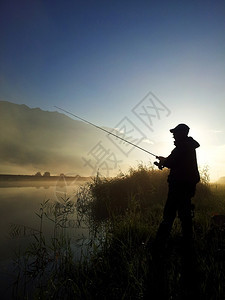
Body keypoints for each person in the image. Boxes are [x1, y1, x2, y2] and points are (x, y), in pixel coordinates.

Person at [154, 123, 200, 247]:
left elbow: (171, 162)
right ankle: (188, 242)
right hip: (187, 186)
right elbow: (174, 162)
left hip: (178, 187)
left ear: (181, 134)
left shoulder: (182, 147)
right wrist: (165, 161)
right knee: (185, 215)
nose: (173, 136)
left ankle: (159, 243)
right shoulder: (187, 147)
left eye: (175, 133)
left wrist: (164, 162)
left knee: (169, 214)